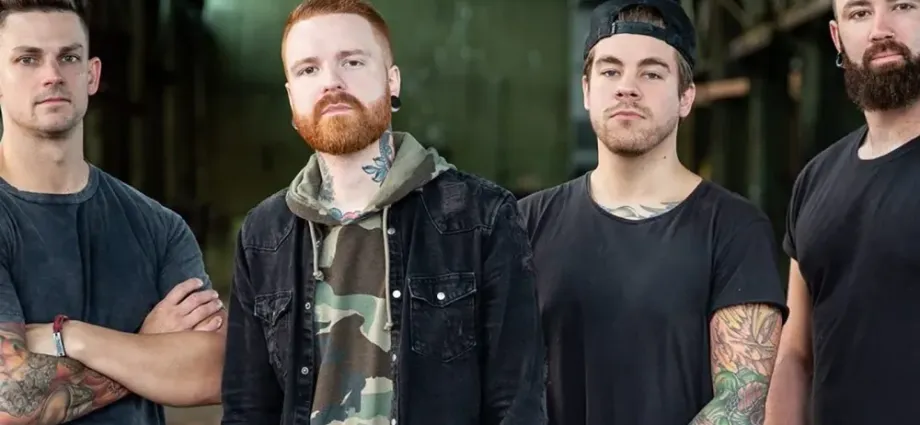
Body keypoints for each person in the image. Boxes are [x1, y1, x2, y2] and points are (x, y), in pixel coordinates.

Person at [219, 0, 545, 424]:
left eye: (352, 62)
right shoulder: (264, 234)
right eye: (308, 70)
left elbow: (516, 404)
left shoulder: (481, 217)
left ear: (392, 80)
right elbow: (247, 409)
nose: (331, 82)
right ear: (291, 96)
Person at [517, 1, 789, 424]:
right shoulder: (525, 224)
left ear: (686, 97)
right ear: (587, 90)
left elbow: (741, 402)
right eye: (610, 71)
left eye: (652, 73)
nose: (627, 87)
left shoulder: (735, 229)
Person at [0, 1, 228, 424]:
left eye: (69, 57)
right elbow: (8, 401)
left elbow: (212, 371)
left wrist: (71, 337)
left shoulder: (159, 227)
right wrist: (146, 346)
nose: (52, 75)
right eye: (27, 59)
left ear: (92, 75)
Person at [764, 0, 920, 424]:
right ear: (837, 37)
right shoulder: (815, 180)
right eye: (859, 13)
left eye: (902, 6)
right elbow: (795, 354)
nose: (880, 29)